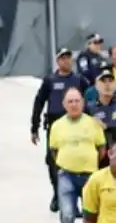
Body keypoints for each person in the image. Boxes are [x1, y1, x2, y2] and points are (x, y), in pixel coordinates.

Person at [48, 87, 104, 223]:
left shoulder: (93, 124)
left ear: (83, 103)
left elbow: (101, 148)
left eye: (77, 101)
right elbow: (54, 151)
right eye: (70, 101)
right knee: (67, 215)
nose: (74, 105)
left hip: (90, 176)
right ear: (64, 105)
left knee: (91, 215)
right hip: (66, 175)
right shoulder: (57, 126)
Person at [32, 48, 88, 212]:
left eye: (68, 58)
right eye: (62, 58)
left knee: (75, 161)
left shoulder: (79, 80)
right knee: (53, 161)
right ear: (57, 61)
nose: (66, 61)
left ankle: (75, 199)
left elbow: (91, 98)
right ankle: (57, 194)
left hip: (77, 126)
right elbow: (39, 102)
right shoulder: (50, 80)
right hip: (55, 127)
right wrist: (34, 126)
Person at [86, 66, 116, 155]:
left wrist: (106, 127)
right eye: (103, 81)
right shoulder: (89, 108)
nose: (107, 84)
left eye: (110, 81)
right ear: (96, 86)